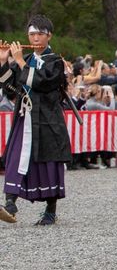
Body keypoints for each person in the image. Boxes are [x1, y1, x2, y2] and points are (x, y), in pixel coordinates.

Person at [0, 15, 72, 226]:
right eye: (32, 34)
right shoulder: (27, 60)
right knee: (15, 158)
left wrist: (20, 61)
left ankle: (51, 210)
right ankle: (10, 204)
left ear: (49, 35)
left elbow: (43, 83)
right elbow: (11, 89)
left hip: (48, 119)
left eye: (40, 33)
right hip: (25, 117)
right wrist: (4, 62)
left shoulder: (55, 62)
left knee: (48, 161)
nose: (35, 38)